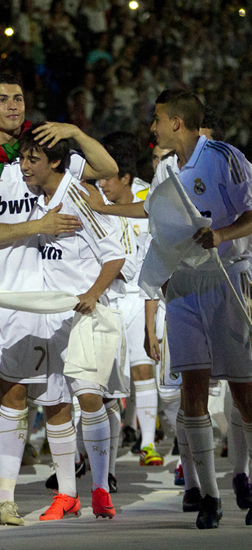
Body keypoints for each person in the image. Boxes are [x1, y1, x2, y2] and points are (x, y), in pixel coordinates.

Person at [0, 73, 115, 526]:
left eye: (18, 98)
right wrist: (37, 227)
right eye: (3, 99)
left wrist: (76, 133)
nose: (13, 106)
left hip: (29, 297)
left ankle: (6, 496)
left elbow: (106, 170)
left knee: (17, 392)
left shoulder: (39, 148)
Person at [80, 89, 252, 529]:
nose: (151, 127)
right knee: (191, 388)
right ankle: (209, 496)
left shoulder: (224, 157)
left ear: (177, 122)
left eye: (157, 119)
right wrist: (108, 207)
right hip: (183, 285)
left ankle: (245, 478)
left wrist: (223, 233)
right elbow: (153, 211)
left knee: (244, 391)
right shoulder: (167, 170)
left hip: (227, 278)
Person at [19, 122, 124, 520]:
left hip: (87, 312)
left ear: (57, 161)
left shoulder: (79, 194)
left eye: (34, 159)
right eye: (22, 158)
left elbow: (115, 255)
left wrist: (93, 294)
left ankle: (100, 488)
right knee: (55, 405)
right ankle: (67, 495)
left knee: (89, 398)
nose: (25, 167)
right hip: (49, 315)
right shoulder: (29, 198)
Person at [98, 132, 163, 466]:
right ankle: (99, 450)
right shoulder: (94, 195)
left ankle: (148, 443)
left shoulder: (147, 195)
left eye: (107, 173)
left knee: (142, 369)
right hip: (108, 298)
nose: (101, 180)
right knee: (108, 379)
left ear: (124, 174)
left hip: (139, 296)